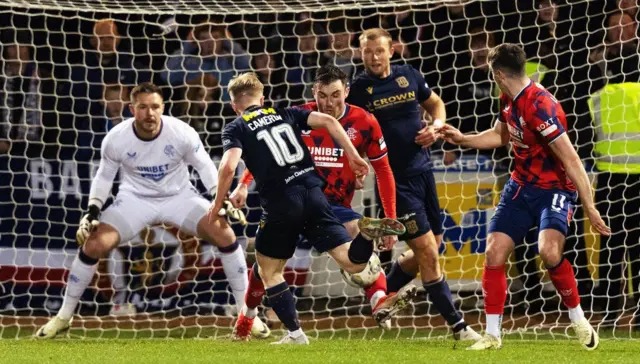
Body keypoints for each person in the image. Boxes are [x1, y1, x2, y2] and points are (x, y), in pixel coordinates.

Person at [35, 82, 264, 339]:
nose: (149, 113)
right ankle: (63, 317)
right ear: (132, 109)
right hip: (135, 200)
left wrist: (217, 198)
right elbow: (104, 176)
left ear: (162, 107)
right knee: (93, 244)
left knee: (225, 235)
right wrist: (93, 209)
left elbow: (204, 167)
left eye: (155, 106)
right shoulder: (117, 138)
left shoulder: (181, 132)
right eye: (142, 107)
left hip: (180, 198)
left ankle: (247, 316)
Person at [436, 43, 611, 350]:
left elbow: (571, 159)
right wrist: (462, 138)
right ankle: (493, 335)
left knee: (548, 252)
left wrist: (590, 206)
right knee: (494, 252)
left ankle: (578, 318)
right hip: (520, 186)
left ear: (499, 74)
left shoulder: (539, 105)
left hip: (554, 189)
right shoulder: (510, 97)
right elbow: (499, 136)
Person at [209, 72, 406, 344]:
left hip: (283, 203)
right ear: (263, 99)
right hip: (315, 195)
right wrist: (353, 155)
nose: (329, 102)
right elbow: (328, 122)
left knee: (268, 270)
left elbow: (229, 166)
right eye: (323, 95)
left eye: (335, 95)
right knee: (351, 260)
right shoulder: (284, 113)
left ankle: (296, 334)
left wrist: (218, 203)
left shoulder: (236, 126)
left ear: (233, 105)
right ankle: (365, 235)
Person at [346, 28, 480, 341]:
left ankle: (382, 297)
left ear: (391, 50)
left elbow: (436, 104)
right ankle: (458, 327)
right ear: (361, 54)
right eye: (367, 52)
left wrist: (436, 127)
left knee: (430, 250)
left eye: (379, 51)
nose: (374, 57)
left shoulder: (410, 75)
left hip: (423, 172)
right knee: (429, 254)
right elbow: (348, 131)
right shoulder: (358, 90)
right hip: (393, 180)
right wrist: (357, 157)